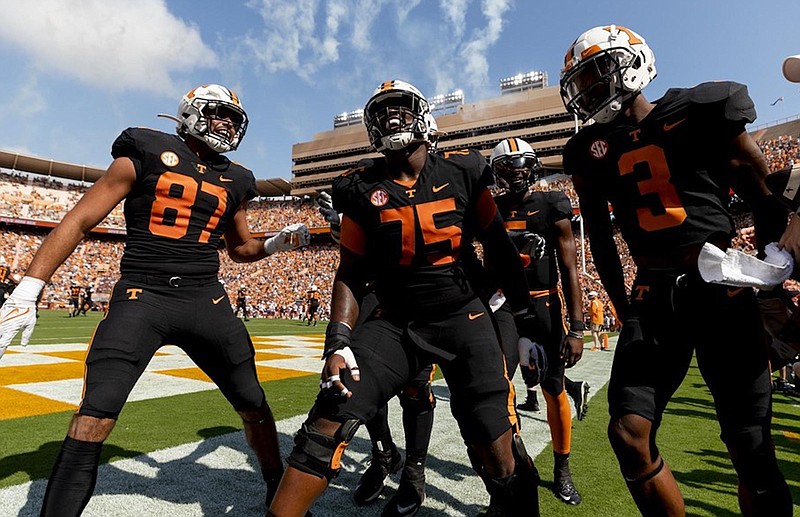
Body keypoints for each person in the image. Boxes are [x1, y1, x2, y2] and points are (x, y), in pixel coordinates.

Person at [0, 84, 311, 516]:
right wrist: (29, 288)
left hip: (206, 299)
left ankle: (277, 486)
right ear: (190, 113)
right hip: (142, 295)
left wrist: (275, 243)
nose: (227, 125)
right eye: (219, 114)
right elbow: (82, 217)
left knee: (253, 402)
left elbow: (241, 249)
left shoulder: (237, 178)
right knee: (95, 415)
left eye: (233, 119)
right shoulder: (145, 149)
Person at [268, 79, 543, 517]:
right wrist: (337, 341)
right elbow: (352, 270)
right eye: (382, 113)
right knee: (326, 423)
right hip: (393, 321)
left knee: (494, 442)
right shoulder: (359, 187)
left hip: (461, 317)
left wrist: (526, 322)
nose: (392, 118)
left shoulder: (465, 170)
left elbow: (499, 248)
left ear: (424, 115)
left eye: (401, 109)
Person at [560, 24, 793, 516]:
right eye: (582, 84)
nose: (590, 91)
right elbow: (600, 239)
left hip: (722, 289)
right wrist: (625, 309)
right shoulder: (588, 151)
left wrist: (776, 275)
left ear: (634, 63)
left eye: (598, 75)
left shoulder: (699, 109)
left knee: (750, 444)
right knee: (627, 432)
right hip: (654, 295)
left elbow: (765, 201)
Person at [490, 137, 591, 504]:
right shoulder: (490, 208)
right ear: (497, 173)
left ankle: (562, 468)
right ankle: (515, 463)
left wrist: (577, 328)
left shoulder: (551, 203)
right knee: (498, 386)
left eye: (522, 165)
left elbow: (569, 268)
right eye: (508, 167)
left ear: (532, 167)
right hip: (503, 306)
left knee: (553, 388)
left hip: (545, 304)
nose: (516, 174)